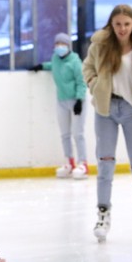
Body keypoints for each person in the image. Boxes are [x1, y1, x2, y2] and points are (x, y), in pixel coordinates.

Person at [82, 4, 132, 243]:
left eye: (127, 24)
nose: (122, 29)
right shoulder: (100, 45)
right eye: (118, 24)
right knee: (105, 163)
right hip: (106, 108)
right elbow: (87, 68)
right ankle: (103, 214)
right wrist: (95, 85)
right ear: (111, 24)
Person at [29, 33, 88, 179]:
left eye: (63, 44)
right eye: (57, 44)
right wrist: (41, 66)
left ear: (68, 46)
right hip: (61, 101)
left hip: (76, 101)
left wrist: (80, 100)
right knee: (65, 134)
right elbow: (52, 66)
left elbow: (81, 81)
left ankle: (83, 164)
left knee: (78, 133)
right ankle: (70, 162)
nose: (59, 46)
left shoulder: (75, 62)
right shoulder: (56, 59)